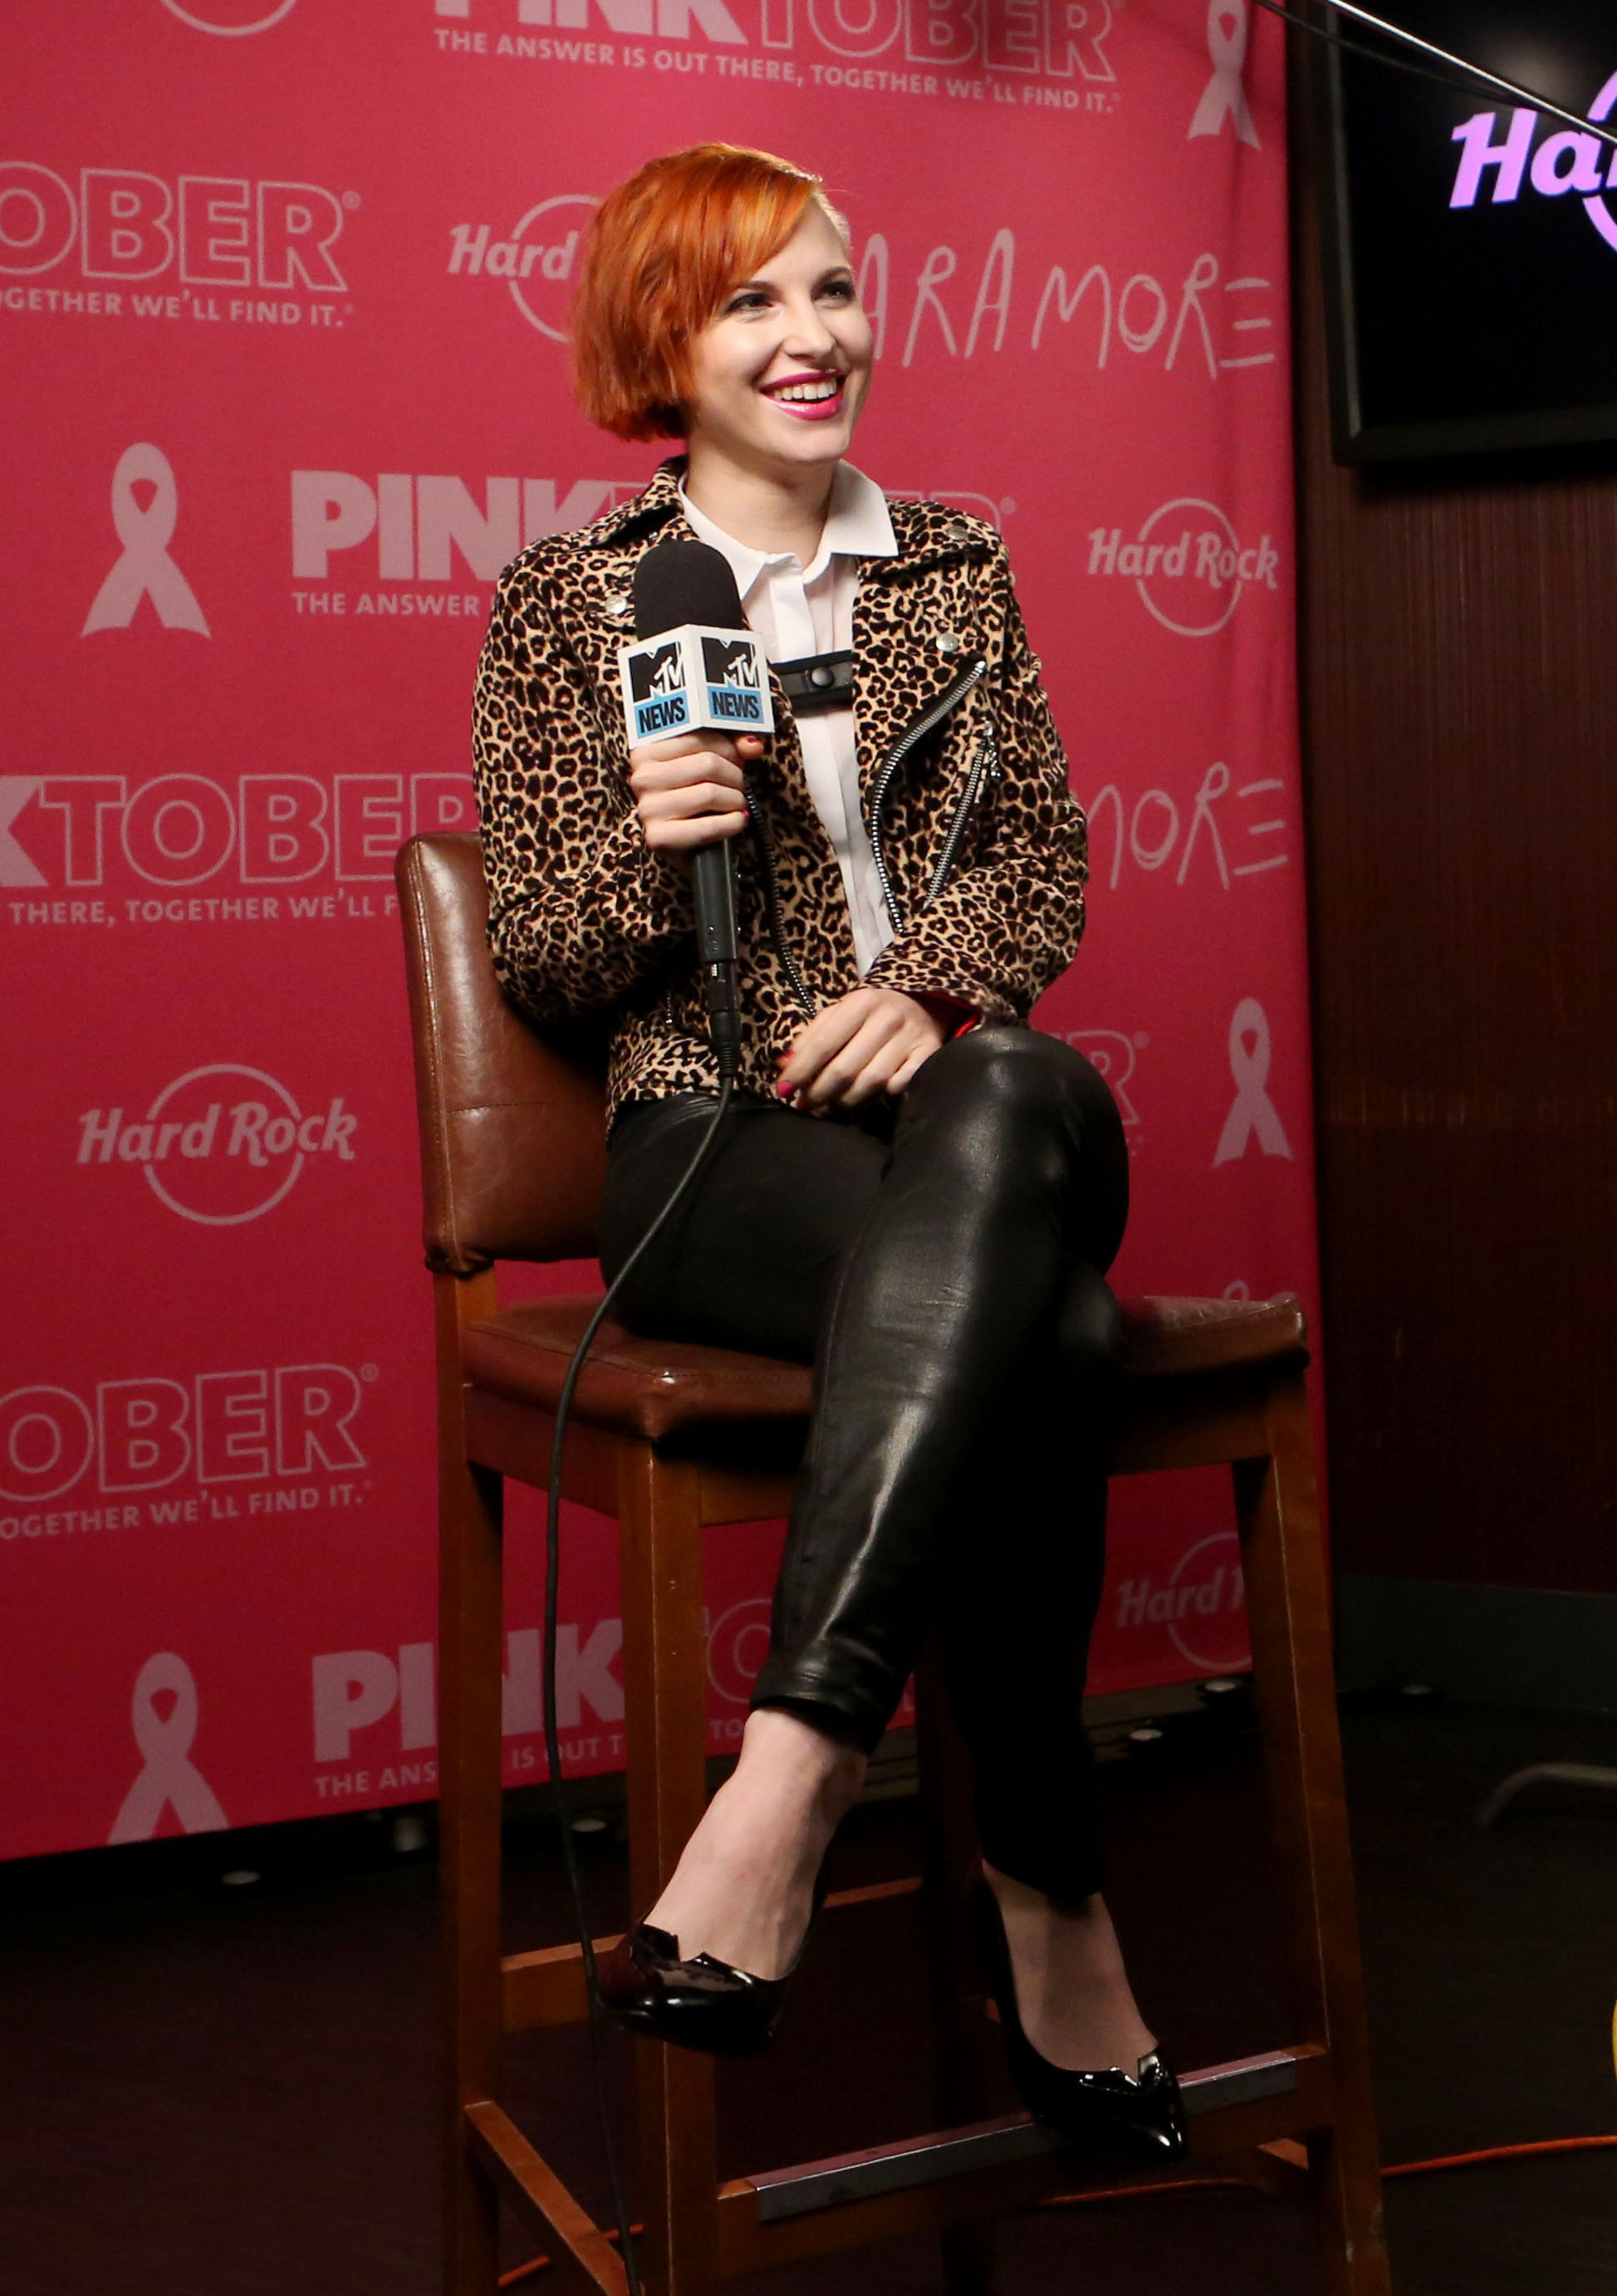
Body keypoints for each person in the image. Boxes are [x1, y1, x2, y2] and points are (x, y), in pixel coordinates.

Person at [466, 142, 1181, 2163]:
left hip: (964, 1118)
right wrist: (647, 841)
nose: (813, 336)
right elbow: (546, 953)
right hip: (710, 1143)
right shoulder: (574, 600)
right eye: (752, 301)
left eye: (835, 289)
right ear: (663, 344)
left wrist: (934, 992)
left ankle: (781, 1779)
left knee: (1017, 1083)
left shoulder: (954, 565)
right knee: (1045, 1334)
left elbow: (1033, 858)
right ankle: (1047, 1881)